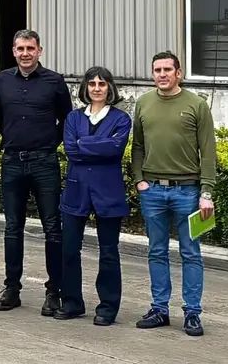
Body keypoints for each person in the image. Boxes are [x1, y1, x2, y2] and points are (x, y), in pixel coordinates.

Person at [131, 51, 216, 337]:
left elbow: (209, 152)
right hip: (153, 191)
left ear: (179, 73)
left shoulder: (197, 105)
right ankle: (159, 309)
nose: (163, 74)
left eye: (168, 69)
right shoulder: (143, 104)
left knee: (191, 253)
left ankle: (192, 312)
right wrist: (140, 180)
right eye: (158, 69)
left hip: (189, 193)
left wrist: (207, 191)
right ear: (152, 73)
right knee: (156, 252)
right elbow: (138, 147)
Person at [0, 29, 72, 315]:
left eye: (30, 48)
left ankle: (54, 292)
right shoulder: (2, 80)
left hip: (44, 162)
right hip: (12, 161)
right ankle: (12, 288)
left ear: (40, 50)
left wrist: (49, 143)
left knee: (53, 227)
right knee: (13, 228)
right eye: (20, 48)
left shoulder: (55, 82)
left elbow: (67, 118)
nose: (25, 53)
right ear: (13, 51)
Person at [54, 67, 130, 326]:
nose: (96, 88)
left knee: (108, 252)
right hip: (77, 190)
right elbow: (70, 151)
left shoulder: (121, 118)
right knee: (69, 249)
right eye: (92, 84)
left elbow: (116, 148)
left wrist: (83, 143)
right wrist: (98, 145)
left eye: (102, 83)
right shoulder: (73, 118)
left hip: (107, 191)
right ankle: (72, 302)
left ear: (110, 88)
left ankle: (108, 307)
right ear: (85, 88)